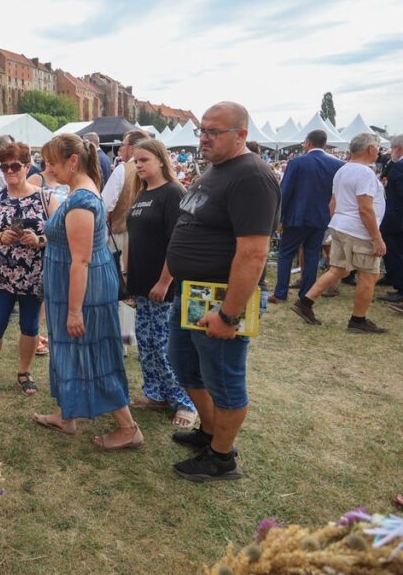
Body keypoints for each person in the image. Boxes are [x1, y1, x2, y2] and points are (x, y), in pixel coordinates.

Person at [165, 102, 279, 481]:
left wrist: (229, 314)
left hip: (222, 297)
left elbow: (253, 252)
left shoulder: (252, 176)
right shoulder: (217, 170)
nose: (204, 137)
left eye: (214, 132)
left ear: (241, 134)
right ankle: (210, 432)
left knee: (224, 377)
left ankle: (222, 458)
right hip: (194, 292)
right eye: (203, 130)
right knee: (183, 362)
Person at [32, 134, 142, 450]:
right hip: (75, 285)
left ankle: (128, 427)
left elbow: (80, 260)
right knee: (71, 349)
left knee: (93, 350)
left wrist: (75, 310)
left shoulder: (81, 200)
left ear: (73, 161)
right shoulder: (77, 193)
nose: (47, 168)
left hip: (84, 291)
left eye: (52, 162)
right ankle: (66, 415)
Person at [0, 142, 51, 398]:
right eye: (5, 166)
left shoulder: (45, 198)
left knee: (29, 327)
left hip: (32, 275)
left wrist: (39, 240)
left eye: (16, 165)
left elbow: (59, 234)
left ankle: (24, 373)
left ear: (27, 166)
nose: (10, 171)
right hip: (1, 275)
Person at [125, 139, 197, 428]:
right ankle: (155, 392)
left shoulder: (173, 193)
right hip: (142, 284)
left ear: (160, 160)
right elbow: (134, 235)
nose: (139, 165)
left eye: (144, 160)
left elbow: (177, 243)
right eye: (136, 161)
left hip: (163, 286)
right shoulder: (142, 193)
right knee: (146, 342)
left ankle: (185, 402)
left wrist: (165, 281)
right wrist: (128, 275)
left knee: (166, 345)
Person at [292, 133, 389, 333]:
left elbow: (333, 204)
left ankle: (306, 302)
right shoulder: (365, 174)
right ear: (370, 149)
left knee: (339, 269)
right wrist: (377, 238)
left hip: (341, 225)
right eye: (377, 148)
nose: (378, 152)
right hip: (359, 231)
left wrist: (336, 224)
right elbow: (365, 209)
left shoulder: (342, 170)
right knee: (369, 275)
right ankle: (358, 320)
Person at [271, 130, 344, 304]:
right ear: (324, 144)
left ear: (308, 143)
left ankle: (281, 293)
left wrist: (279, 218)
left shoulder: (296, 162)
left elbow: (285, 192)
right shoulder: (337, 164)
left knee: (286, 254)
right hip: (321, 217)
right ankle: (306, 294)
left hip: (297, 216)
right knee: (312, 254)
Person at [102, 129, 152, 351]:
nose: (121, 149)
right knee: (138, 286)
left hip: (121, 234)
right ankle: (134, 336)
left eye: (123, 144)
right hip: (145, 238)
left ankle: (121, 338)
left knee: (120, 286)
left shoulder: (123, 169)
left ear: (132, 147)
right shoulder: (154, 170)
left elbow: (104, 204)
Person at [379, 135, 403, 309]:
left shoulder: (400, 167)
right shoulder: (395, 165)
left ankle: (400, 287)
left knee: (395, 251)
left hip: (396, 217)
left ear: (398, 148)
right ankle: (392, 276)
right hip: (395, 215)